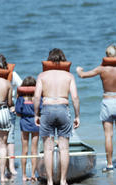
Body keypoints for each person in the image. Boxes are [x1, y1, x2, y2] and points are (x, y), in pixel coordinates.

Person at [76, 47, 116, 172]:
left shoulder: (102, 69)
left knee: (108, 135)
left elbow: (83, 75)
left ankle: (109, 165)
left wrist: (79, 69)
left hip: (107, 101)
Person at [34, 48, 80, 185]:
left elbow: (37, 97)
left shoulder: (42, 76)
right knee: (64, 148)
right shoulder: (69, 76)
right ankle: (63, 181)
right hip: (63, 108)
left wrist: (36, 114)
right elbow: (75, 98)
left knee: (48, 148)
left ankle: (49, 181)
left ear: (49, 60)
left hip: (47, 109)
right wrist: (77, 116)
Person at [0, 54, 23, 175]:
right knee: (9, 140)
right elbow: (23, 86)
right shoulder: (12, 74)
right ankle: (11, 167)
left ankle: (5, 167)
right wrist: (16, 104)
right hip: (8, 109)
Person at [15, 76, 40, 182]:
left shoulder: (21, 98)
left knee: (24, 151)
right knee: (34, 151)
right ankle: (33, 174)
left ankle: (24, 175)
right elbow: (41, 110)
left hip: (24, 122)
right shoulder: (38, 97)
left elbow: (18, 112)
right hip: (36, 123)